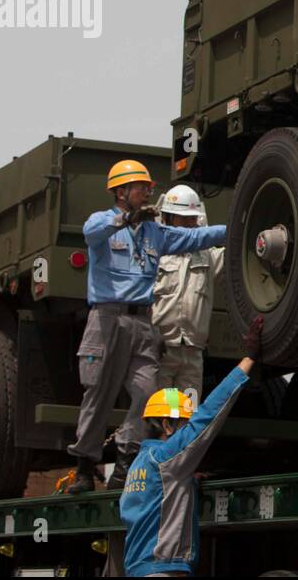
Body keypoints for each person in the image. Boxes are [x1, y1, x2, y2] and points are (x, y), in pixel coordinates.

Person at [61, 161, 226, 495]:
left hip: (143, 323)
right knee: (99, 394)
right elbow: (92, 233)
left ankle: (124, 463)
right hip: (107, 319)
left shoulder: (156, 232)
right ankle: (83, 467)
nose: (148, 192)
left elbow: (197, 237)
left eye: (148, 187)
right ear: (121, 192)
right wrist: (124, 219)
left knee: (147, 393)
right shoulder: (102, 222)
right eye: (141, 187)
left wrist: (237, 228)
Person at [121, 318, 262, 576]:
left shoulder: (138, 466)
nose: (187, 431)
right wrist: (247, 361)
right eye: (183, 423)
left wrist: (187, 481)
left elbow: (157, 502)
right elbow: (207, 417)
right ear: (166, 425)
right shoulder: (167, 457)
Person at [152, 185, 225, 400]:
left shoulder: (208, 256)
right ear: (167, 218)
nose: (189, 224)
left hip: (193, 354)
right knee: (157, 413)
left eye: (192, 219)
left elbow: (235, 255)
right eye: (183, 219)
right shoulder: (154, 253)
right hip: (161, 350)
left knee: (187, 417)